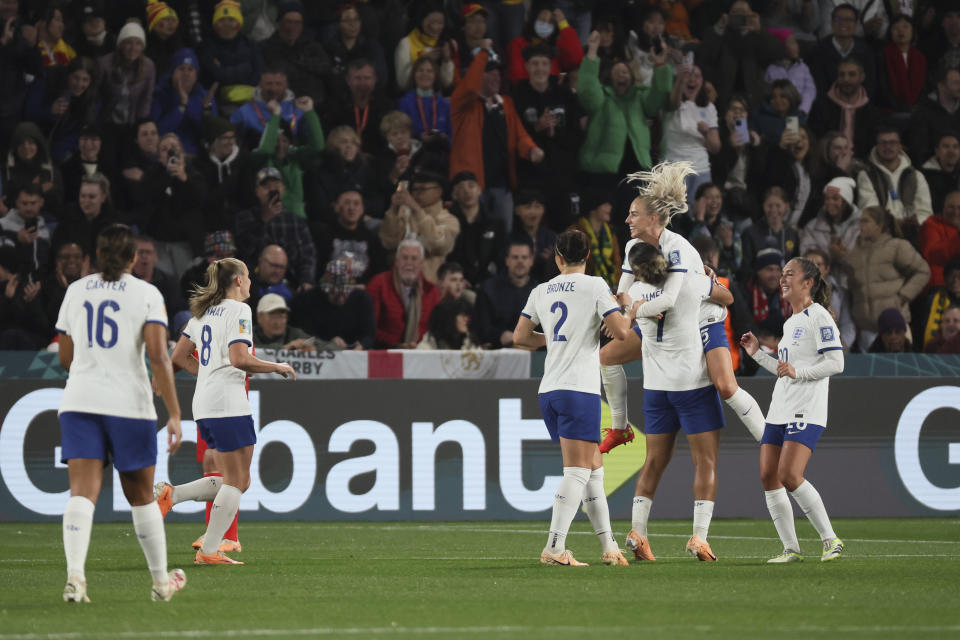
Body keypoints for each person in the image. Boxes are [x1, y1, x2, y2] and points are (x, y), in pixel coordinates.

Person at [56, 223, 186, 602]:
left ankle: (76, 578)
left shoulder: (75, 291)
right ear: (133, 257)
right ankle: (161, 584)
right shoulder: (147, 293)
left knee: (81, 492)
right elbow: (160, 356)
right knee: (142, 495)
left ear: (96, 256)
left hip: (79, 402)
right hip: (129, 405)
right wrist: (174, 413)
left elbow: (66, 356)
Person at [599, 241, 737, 562]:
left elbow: (624, 321)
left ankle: (638, 533)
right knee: (706, 462)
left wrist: (627, 310)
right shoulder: (687, 282)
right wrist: (711, 281)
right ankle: (699, 539)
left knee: (653, 462)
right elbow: (728, 298)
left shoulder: (633, 295)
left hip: (657, 388)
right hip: (692, 384)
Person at [159, 257, 295, 565]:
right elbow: (239, 359)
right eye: (247, 276)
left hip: (205, 402)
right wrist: (276, 366)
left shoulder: (201, 314)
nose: (250, 282)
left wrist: (208, 373)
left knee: (239, 479)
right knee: (237, 480)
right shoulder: (239, 310)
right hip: (228, 402)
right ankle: (209, 550)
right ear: (236, 280)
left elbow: (178, 357)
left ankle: (174, 496)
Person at [512, 227, 635, 567]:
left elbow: (520, 336)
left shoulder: (542, 289)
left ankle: (609, 547)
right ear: (588, 257)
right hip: (579, 389)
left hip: (549, 389)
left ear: (558, 257)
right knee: (578, 472)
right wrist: (629, 310)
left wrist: (552, 339)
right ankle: (554, 547)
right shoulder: (595, 285)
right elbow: (622, 333)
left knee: (594, 469)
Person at [740, 256, 845, 563]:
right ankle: (791, 549)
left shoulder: (819, 317)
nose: (783, 279)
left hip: (806, 408)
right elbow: (785, 370)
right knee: (768, 475)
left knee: (789, 473)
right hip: (780, 406)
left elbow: (836, 363)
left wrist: (801, 373)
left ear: (808, 282)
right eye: (782, 274)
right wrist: (758, 354)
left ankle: (831, 540)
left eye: (790, 274)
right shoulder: (790, 322)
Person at [846, 207, 930, 351]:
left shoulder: (897, 246)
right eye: (860, 221)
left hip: (896, 328)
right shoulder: (855, 253)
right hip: (866, 331)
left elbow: (923, 271)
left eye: (866, 221)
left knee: (902, 372)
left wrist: (902, 297)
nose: (861, 225)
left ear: (879, 225)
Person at [234, 167, 317, 290]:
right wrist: (264, 220)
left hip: (290, 285)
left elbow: (308, 254)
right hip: (252, 286)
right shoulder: (245, 218)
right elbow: (244, 251)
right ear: (257, 191)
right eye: (267, 187)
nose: (272, 190)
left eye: (276, 186)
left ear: (283, 189)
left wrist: (306, 280)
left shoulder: (295, 221)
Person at [379, 171, 460, 284]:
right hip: (396, 282)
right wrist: (393, 211)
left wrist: (417, 210)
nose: (416, 194)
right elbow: (388, 243)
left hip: (430, 284)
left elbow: (438, 245)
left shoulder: (449, 220)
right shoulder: (402, 213)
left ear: (439, 191)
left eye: (422, 189)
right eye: (414, 190)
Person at [367, 238, 442, 348]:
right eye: (404, 258)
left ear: (421, 263)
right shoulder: (378, 284)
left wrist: (421, 346)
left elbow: (437, 329)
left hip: (421, 353)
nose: (409, 263)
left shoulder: (432, 291)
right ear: (396, 262)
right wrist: (396, 345)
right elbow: (369, 328)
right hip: (385, 352)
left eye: (414, 259)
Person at [661, 63, 720, 204]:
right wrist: (680, 81)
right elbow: (674, 103)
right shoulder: (670, 101)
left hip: (701, 170)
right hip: (673, 168)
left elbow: (716, 147)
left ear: (702, 82)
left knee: (699, 216)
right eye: (688, 75)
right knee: (672, 218)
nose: (692, 79)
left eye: (697, 76)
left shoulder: (709, 107)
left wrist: (706, 133)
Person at [856, 126, 934, 230]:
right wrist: (894, 223)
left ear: (900, 146)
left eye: (892, 143)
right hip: (882, 231)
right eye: (883, 143)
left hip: (913, 230)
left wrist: (916, 221)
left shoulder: (916, 175)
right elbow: (870, 210)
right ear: (877, 146)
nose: (888, 147)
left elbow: (925, 211)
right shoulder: (866, 175)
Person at [473, 239, 538, 348]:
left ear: (531, 261)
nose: (520, 262)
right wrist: (500, 335)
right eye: (515, 257)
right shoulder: (488, 289)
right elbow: (480, 327)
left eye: (524, 257)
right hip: (497, 351)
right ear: (507, 260)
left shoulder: (542, 292)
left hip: (533, 353)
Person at [97, 22, 155, 127]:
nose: (133, 48)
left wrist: (141, 124)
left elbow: (146, 99)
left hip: (132, 124)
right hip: (105, 122)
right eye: (129, 42)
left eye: (138, 43)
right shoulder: (104, 64)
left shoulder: (148, 66)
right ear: (121, 44)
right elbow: (95, 96)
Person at [882, 14, 926, 115]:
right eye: (895, 28)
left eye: (905, 26)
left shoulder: (920, 57)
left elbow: (924, 86)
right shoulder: (883, 55)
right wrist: (900, 107)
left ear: (913, 31)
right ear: (890, 32)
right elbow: (883, 87)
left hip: (916, 110)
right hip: (889, 110)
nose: (901, 31)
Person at [919, 190, 960, 290]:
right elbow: (933, 254)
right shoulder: (931, 225)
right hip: (940, 283)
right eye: (951, 207)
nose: (955, 212)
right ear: (943, 209)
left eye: (959, 207)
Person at [920, 133, 960, 216]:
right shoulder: (923, 176)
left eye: (955, 147)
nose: (951, 151)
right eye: (946, 146)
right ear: (937, 151)